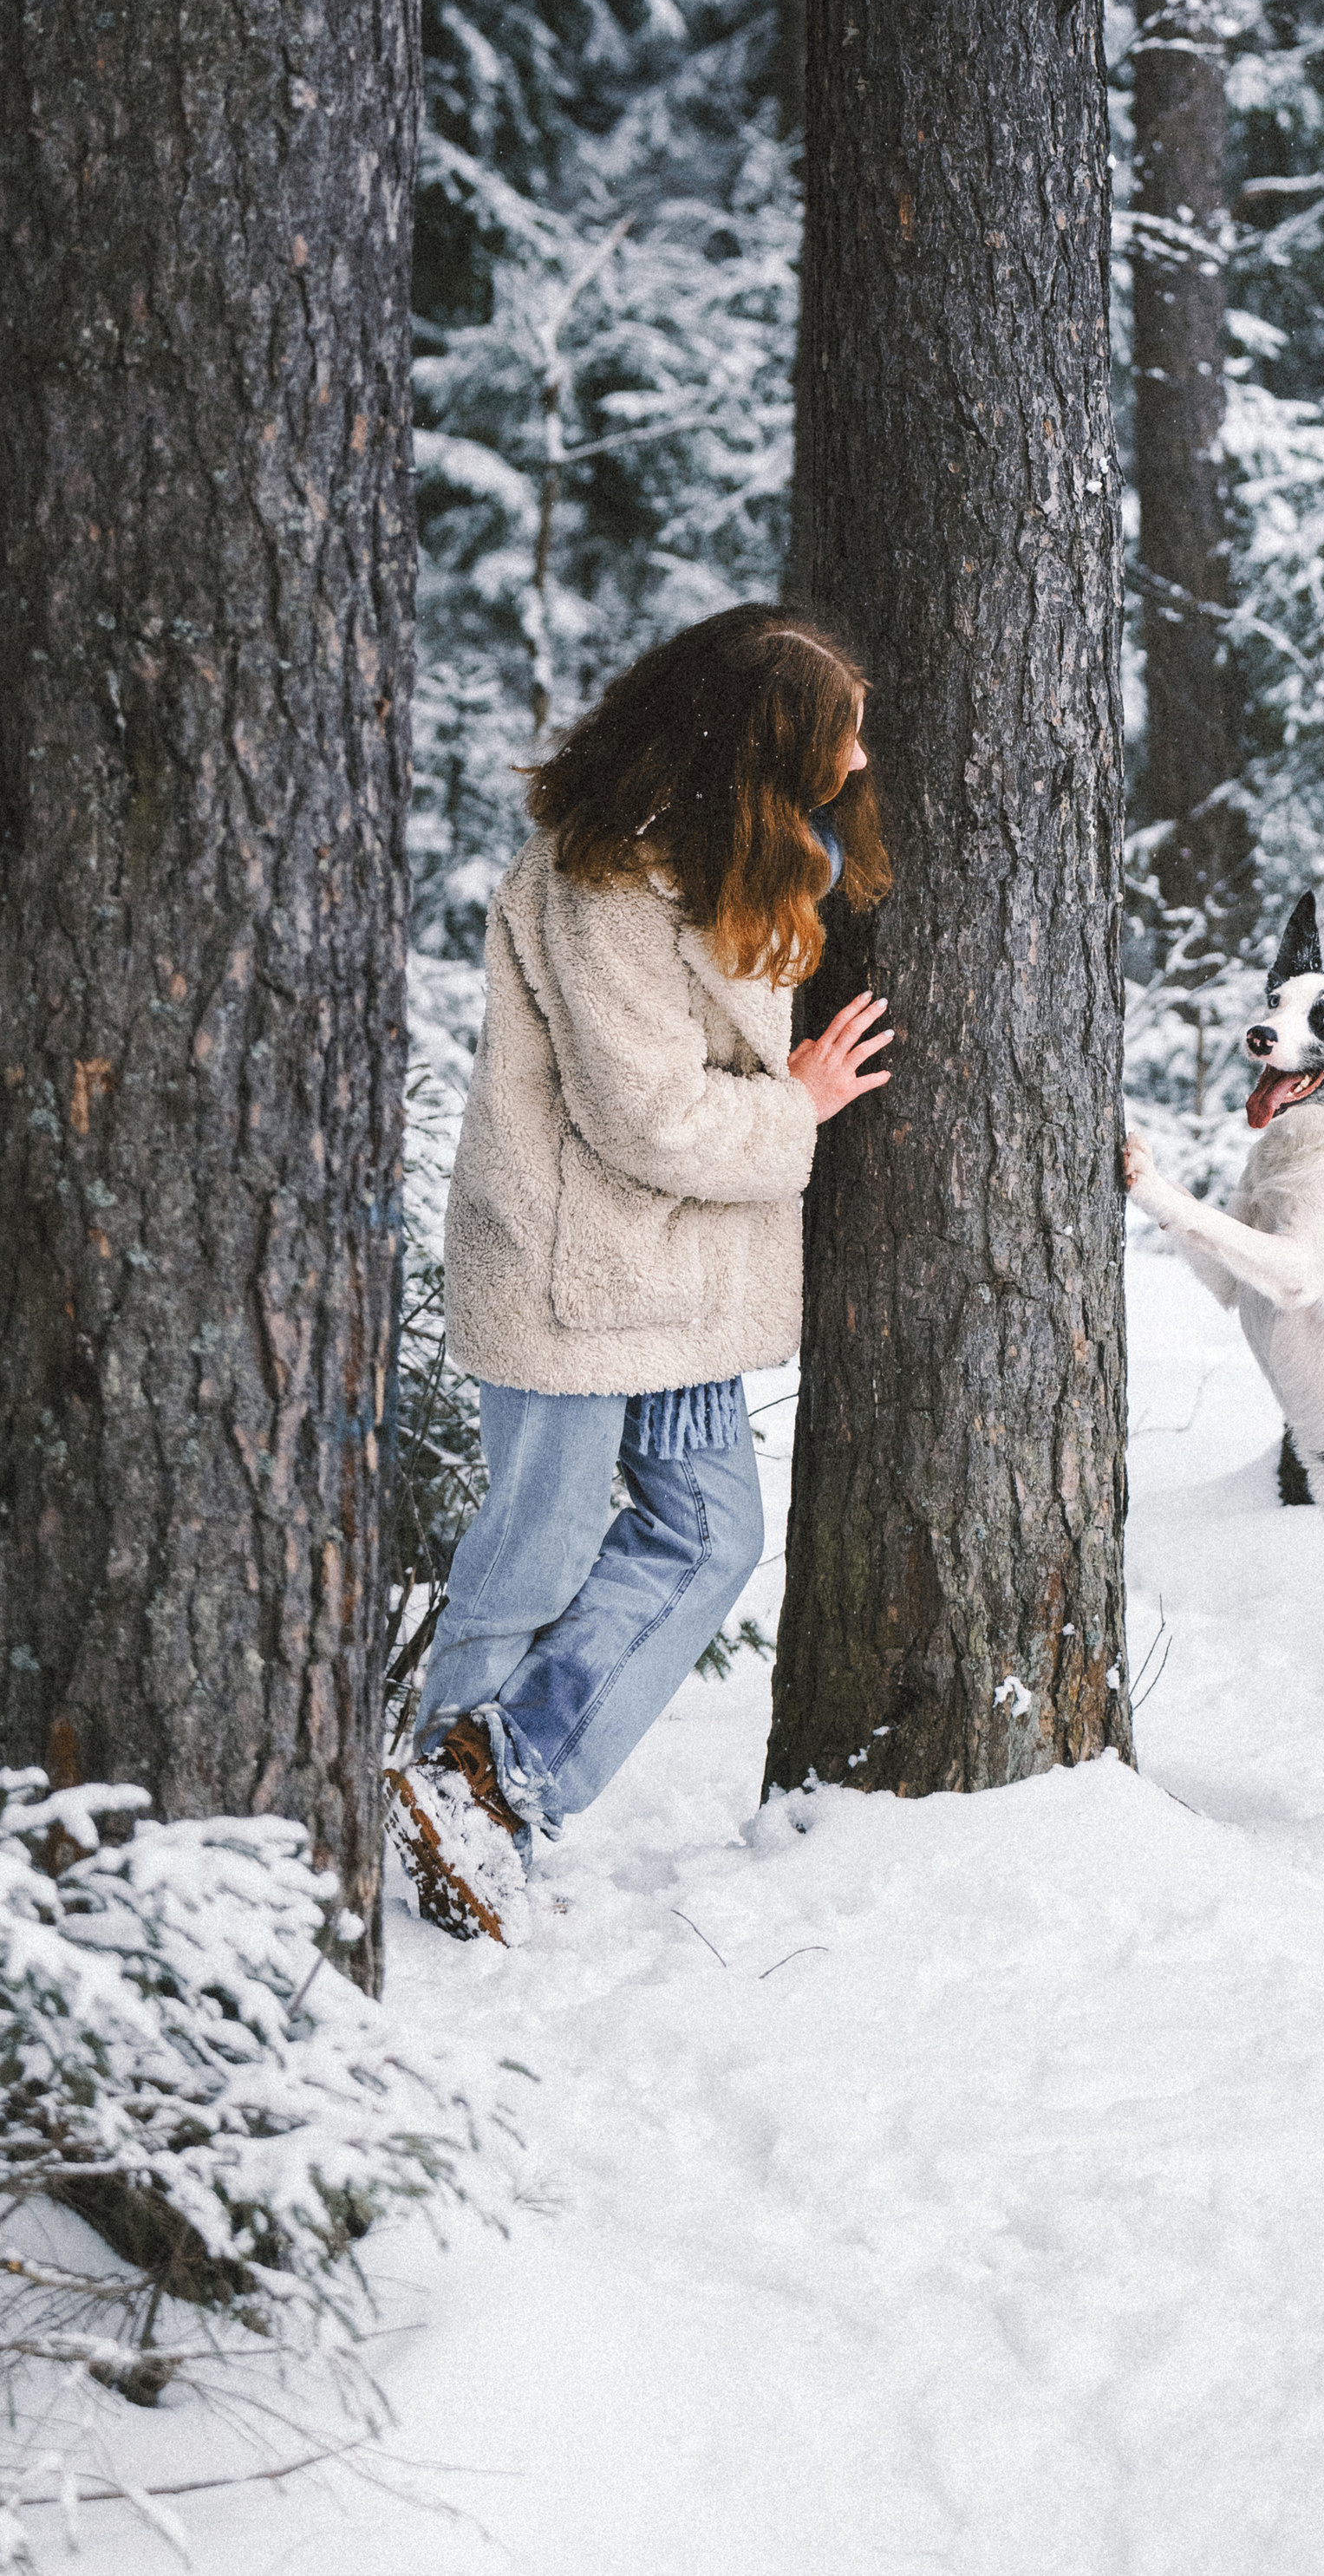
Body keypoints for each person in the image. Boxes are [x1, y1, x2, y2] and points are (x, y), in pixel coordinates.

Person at [387, 605, 894, 1943]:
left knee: (712, 1533)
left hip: (677, 1279)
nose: (859, 757)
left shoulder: (747, 852)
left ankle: (490, 1785)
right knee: (537, 1552)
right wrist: (796, 1102)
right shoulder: (608, 876)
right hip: (574, 1264)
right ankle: (452, 1830)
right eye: (837, 733)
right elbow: (646, 1115)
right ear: (760, 745)